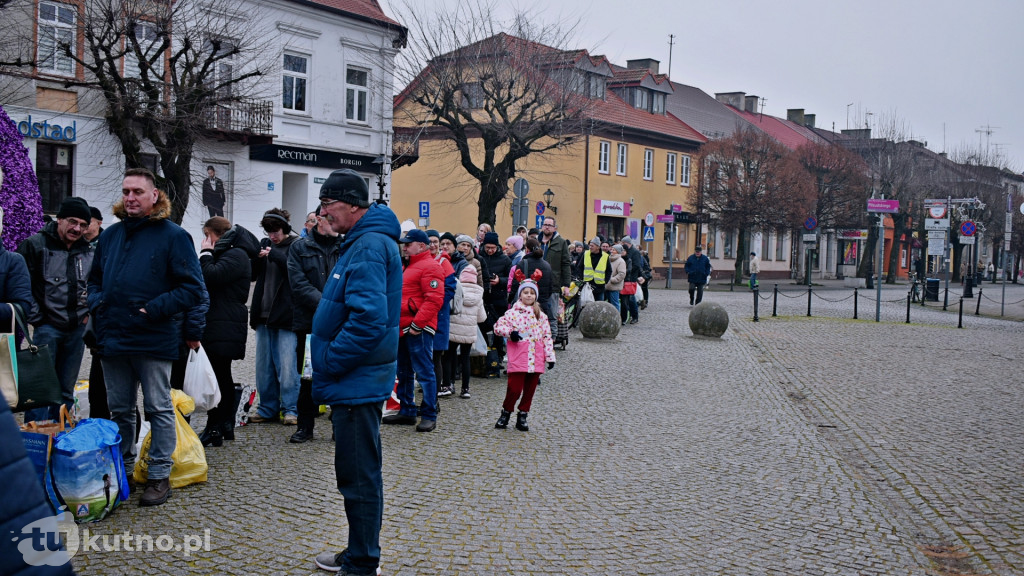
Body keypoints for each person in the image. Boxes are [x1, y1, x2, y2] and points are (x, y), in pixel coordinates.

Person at [87, 167, 204, 507]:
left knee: (158, 408)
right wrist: (98, 302)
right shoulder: (109, 236)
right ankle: (121, 471)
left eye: (138, 191)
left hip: (153, 336)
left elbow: (192, 289)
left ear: (154, 196)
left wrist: (152, 309)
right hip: (113, 337)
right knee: (119, 409)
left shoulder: (173, 236)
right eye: (126, 191)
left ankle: (158, 476)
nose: (130, 197)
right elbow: (94, 281)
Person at [310, 168, 402, 575]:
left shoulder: (367, 246)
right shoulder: (363, 241)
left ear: (351, 205)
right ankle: (358, 551)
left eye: (328, 204)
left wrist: (329, 362)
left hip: (355, 379)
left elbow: (368, 320)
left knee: (359, 477)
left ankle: (363, 562)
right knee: (357, 473)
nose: (323, 212)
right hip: (357, 378)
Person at [17, 197, 95, 422]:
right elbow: (23, 287)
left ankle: (58, 438)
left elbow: (94, 284)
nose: (77, 228)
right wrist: (38, 319)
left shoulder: (89, 250)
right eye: (72, 221)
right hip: (47, 328)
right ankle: (37, 441)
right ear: (59, 219)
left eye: (82, 224)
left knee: (65, 388)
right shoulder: (35, 245)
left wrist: (87, 315)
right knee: (41, 388)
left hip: (77, 330)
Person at [197, 217, 260, 447]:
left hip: (224, 322)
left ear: (217, 234)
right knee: (220, 375)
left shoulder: (236, 255)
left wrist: (205, 254)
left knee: (218, 376)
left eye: (208, 235)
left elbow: (210, 276)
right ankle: (222, 424)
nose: (206, 240)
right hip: (220, 321)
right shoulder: (233, 254)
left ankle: (216, 425)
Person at [286, 206, 341, 443]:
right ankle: (305, 427)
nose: (335, 223)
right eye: (330, 218)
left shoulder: (346, 246)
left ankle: (339, 426)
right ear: (319, 219)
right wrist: (328, 306)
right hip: (310, 323)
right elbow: (298, 285)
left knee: (340, 374)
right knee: (307, 376)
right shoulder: (299, 247)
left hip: (340, 324)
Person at [384, 228, 444, 432]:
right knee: (404, 371)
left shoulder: (429, 267)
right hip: (404, 327)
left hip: (418, 327)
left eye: (408, 244)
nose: (405, 247)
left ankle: (428, 414)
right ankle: (407, 410)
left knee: (424, 371)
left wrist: (418, 325)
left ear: (421, 245)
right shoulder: (409, 266)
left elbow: (435, 299)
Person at [249, 208, 300, 425]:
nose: (273, 236)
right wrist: (257, 259)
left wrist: (274, 254)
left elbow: (294, 272)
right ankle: (267, 407)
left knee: (288, 367)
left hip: (286, 315)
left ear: (285, 228)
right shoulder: (264, 244)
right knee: (264, 367)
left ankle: (291, 409)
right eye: (269, 231)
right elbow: (252, 275)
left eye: (276, 231)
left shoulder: (296, 246)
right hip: (263, 314)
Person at [492, 270, 555, 432]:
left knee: (530, 389)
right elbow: (498, 327)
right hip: (519, 355)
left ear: (536, 296)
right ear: (520, 295)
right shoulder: (512, 313)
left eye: (532, 293)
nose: (529, 296)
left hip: (536, 356)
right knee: (514, 388)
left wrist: (550, 356)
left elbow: (547, 336)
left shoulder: (541, 316)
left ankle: (523, 415)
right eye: (525, 292)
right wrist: (510, 333)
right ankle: (506, 412)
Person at [447, 265, 486, 399]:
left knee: (449, 356)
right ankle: (465, 389)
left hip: (453, 329)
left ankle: (449, 384)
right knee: (465, 358)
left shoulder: (456, 289)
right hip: (469, 332)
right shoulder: (479, 295)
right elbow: (482, 318)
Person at [426, 230, 457, 397]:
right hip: (422, 315)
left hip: (439, 314)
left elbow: (450, 288)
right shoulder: (420, 260)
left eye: (435, 241)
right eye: (429, 241)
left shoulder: (444, 262)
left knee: (436, 356)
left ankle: (435, 394)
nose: (433, 244)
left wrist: (435, 304)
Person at [478, 232, 512, 367]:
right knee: (483, 327)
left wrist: (499, 281)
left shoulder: (505, 260)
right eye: (487, 247)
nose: (490, 250)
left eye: (492, 247)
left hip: (499, 299)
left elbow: (510, 279)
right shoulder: (480, 258)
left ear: (497, 246)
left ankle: (498, 355)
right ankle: (484, 354)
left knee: (499, 329)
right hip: (484, 299)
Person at [539, 217, 572, 338]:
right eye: (545, 224)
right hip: (536, 284)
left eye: (549, 225)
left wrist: (567, 285)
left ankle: (551, 341)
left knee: (552, 314)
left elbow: (566, 264)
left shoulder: (561, 242)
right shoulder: (536, 241)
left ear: (554, 228)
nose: (547, 227)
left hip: (553, 284)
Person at [510, 238, 553, 320]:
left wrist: (510, 299)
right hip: (542, 305)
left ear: (527, 249)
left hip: (526, 306)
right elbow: (550, 287)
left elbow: (515, 285)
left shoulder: (522, 264)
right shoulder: (547, 265)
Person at [575, 237, 609, 301]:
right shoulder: (585, 254)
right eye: (590, 245)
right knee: (587, 305)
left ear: (598, 247)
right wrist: (582, 278)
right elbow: (579, 267)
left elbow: (609, 270)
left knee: (599, 306)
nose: (590, 247)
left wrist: (605, 281)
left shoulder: (605, 256)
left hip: (599, 286)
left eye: (592, 246)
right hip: (587, 285)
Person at [620, 236, 644, 324]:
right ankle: (625, 316)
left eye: (623, 243)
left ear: (628, 243)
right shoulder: (624, 251)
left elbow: (637, 266)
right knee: (624, 299)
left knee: (631, 298)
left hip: (631, 279)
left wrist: (626, 271)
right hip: (623, 278)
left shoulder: (635, 252)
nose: (622, 245)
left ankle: (635, 316)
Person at [604, 244, 627, 312]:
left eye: (614, 250)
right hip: (607, 285)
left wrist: (612, 280)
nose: (611, 251)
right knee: (609, 304)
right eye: (612, 249)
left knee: (615, 304)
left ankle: (617, 319)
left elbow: (622, 274)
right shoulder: (609, 259)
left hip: (614, 286)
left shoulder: (621, 261)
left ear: (617, 251)